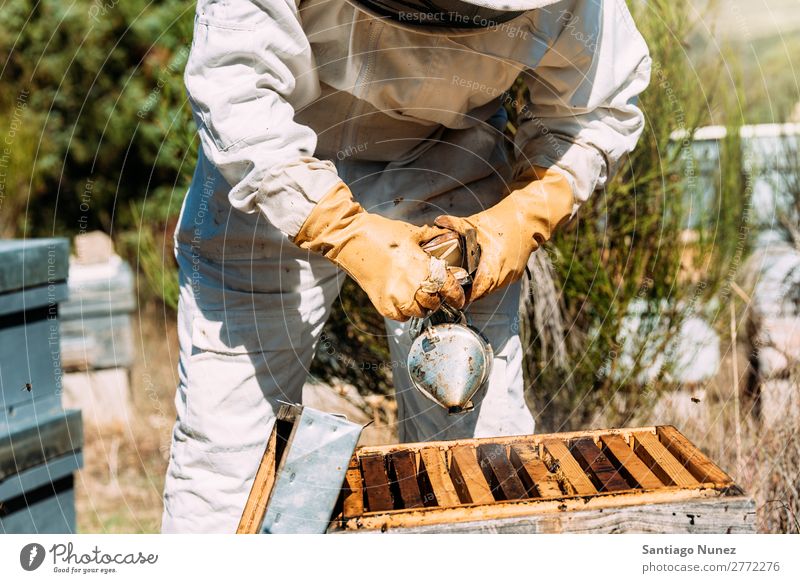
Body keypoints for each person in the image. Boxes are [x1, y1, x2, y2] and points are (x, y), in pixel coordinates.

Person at [162, 0, 651, 532]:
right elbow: (235, 85)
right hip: (273, 156)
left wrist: (522, 214)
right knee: (228, 442)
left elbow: (596, 109)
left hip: (449, 151)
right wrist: (340, 227)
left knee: (476, 439)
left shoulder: (581, 8)